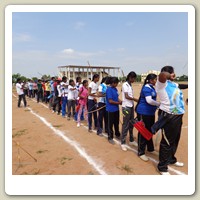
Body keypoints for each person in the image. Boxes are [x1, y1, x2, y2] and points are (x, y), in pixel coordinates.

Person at [154, 66, 185, 175]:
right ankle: (162, 167)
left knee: (175, 140)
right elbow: (162, 76)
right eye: (172, 73)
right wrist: (168, 74)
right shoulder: (162, 84)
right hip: (169, 116)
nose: (174, 74)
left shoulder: (174, 84)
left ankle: (171, 159)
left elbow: (181, 85)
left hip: (178, 115)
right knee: (167, 141)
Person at [135, 74, 160, 161]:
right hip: (143, 112)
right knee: (143, 131)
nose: (156, 81)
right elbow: (149, 100)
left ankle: (150, 148)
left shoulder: (152, 87)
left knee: (150, 130)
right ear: (150, 80)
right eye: (154, 79)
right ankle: (141, 152)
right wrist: (158, 104)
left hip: (150, 113)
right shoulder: (146, 88)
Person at [121, 71, 139, 151]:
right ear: (130, 78)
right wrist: (136, 99)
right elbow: (127, 96)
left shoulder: (130, 85)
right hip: (126, 108)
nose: (134, 80)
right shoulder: (125, 85)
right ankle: (123, 142)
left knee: (131, 123)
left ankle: (131, 140)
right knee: (125, 125)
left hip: (131, 106)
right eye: (134, 78)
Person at [106, 77, 122, 144]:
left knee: (116, 123)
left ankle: (117, 134)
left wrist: (120, 101)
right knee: (110, 124)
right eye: (116, 83)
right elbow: (110, 101)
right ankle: (110, 137)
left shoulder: (115, 89)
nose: (117, 84)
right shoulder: (109, 90)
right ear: (113, 83)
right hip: (110, 109)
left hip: (116, 109)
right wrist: (118, 103)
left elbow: (117, 97)